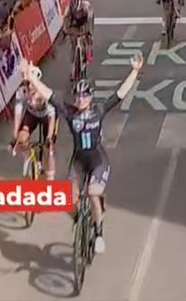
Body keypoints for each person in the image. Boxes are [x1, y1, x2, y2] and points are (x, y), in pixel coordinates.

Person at [20, 54, 145, 255]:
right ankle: (80, 220)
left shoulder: (99, 111)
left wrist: (135, 71)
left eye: (84, 96)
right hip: (78, 161)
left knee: (93, 193)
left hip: (97, 161)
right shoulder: (69, 112)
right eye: (77, 97)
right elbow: (48, 93)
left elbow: (120, 93)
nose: (80, 100)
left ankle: (98, 233)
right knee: (67, 200)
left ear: (90, 97)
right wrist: (31, 77)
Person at [11, 70, 58, 180]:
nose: (30, 86)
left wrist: (49, 137)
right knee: (21, 137)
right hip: (31, 115)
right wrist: (15, 136)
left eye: (32, 83)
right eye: (27, 83)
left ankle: (50, 178)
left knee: (49, 148)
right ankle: (27, 156)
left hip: (48, 117)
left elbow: (52, 117)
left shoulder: (44, 93)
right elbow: (18, 114)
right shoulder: (21, 92)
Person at [64, 0, 94, 66]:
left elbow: (90, 22)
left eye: (78, 12)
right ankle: (72, 64)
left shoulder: (87, 7)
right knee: (73, 42)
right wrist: (66, 31)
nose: (77, 14)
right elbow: (66, 22)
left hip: (85, 20)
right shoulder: (68, 10)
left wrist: (89, 32)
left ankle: (89, 51)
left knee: (88, 36)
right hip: (75, 21)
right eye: (75, 12)